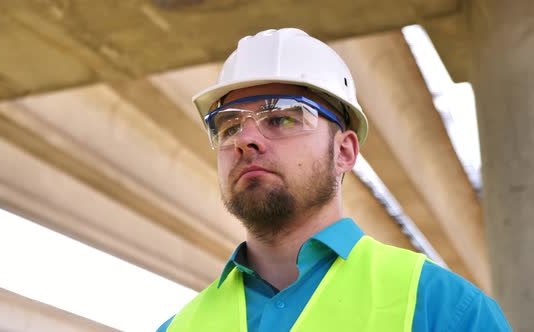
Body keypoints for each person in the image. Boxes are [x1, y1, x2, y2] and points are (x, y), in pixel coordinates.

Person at [157, 28, 510, 331]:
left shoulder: (445, 310)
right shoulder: (178, 327)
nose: (245, 140)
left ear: (344, 152)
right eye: (230, 125)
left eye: (281, 118)